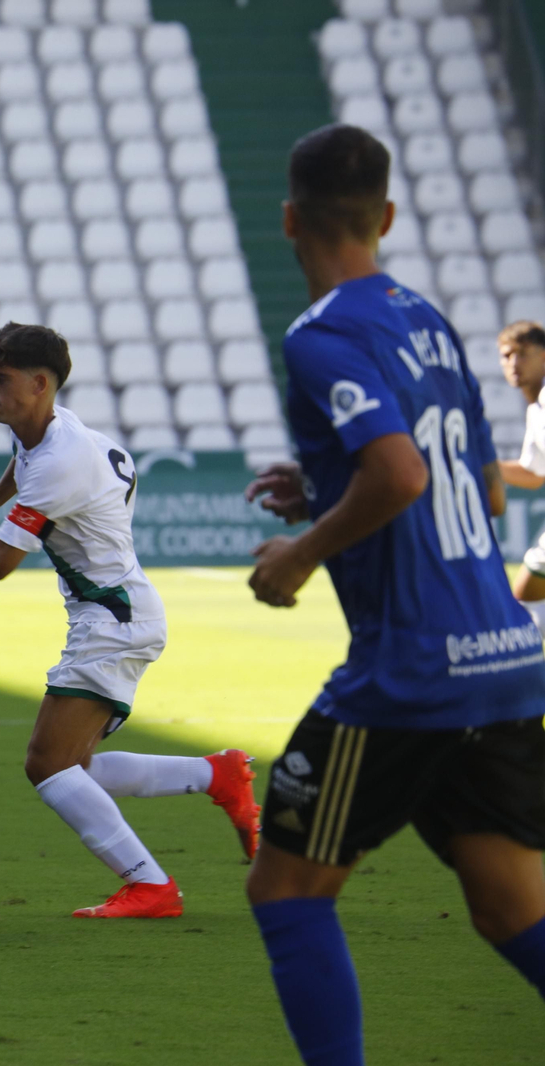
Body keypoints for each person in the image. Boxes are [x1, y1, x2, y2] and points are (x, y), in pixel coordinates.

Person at [243, 124, 545, 1066]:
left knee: (287, 892)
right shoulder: (428, 320)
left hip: (411, 670)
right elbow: (481, 486)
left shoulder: (320, 335)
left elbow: (405, 476)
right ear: (388, 216)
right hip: (505, 657)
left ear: (289, 218)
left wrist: (299, 552)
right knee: (509, 908)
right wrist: (329, 482)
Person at [0, 321, 262, 919]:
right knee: (77, 766)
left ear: (40, 384)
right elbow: (21, 467)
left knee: (47, 764)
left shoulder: (62, 461)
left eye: (0, 379)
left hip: (112, 621)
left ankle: (151, 886)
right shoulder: (46, 432)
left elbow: (0, 565)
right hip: (117, 612)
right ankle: (217, 774)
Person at [494, 320, 545, 632]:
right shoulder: (536, 410)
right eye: (507, 355)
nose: (514, 363)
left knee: (520, 612)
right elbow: (533, 473)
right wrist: (480, 462)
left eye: (523, 354)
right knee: (523, 603)